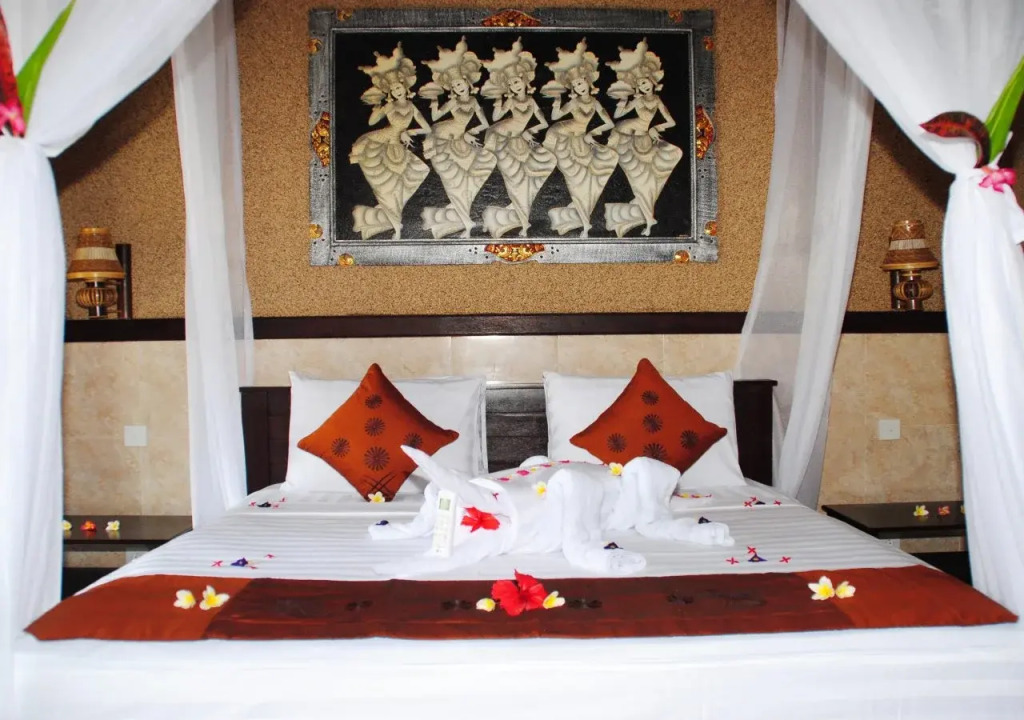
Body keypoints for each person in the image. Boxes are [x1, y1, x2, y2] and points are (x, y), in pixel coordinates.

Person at [349, 44, 431, 241]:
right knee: (386, 185)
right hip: (382, 141)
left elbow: (427, 128)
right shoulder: (389, 106)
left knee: (420, 171)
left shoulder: (411, 106)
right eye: (393, 89)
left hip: (398, 145)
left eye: (398, 87)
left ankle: (387, 212)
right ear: (390, 92)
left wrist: (409, 131)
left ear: (405, 87)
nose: (397, 90)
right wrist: (378, 107)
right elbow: (372, 122)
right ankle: (394, 222)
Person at [604, 39, 683, 237]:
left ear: (652, 82)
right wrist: (623, 100)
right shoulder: (637, 99)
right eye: (639, 84)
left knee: (647, 180)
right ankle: (647, 220)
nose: (643, 85)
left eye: (645, 82)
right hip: (627, 137)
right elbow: (618, 115)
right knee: (638, 182)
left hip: (644, 140)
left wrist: (656, 127)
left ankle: (645, 218)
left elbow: (671, 122)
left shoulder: (656, 100)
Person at [420, 37, 497, 239]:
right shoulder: (453, 102)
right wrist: (434, 101)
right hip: (443, 136)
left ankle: (459, 214)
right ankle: (463, 218)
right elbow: (436, 117)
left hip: (461, 139)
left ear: (467, 82)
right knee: (452, 180)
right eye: (454, 85)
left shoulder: (473, 102)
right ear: (452, 89)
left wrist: (470, 132)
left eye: (460, 83)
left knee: (477, 169)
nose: (458, 86)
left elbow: (484, 124)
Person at [540, 39, 617, 239]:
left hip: (582, 139)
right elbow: (556, 117)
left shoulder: (595, 102)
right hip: (563, 135)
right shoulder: (573, 102)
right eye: (574, 85)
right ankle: (583, 220)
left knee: (591, 173)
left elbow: (609, 123)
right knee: (573, 178)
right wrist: (557, 101)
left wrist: (592, 133)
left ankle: (582, 215)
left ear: (587, 82)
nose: (578, 87)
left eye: (580, 83)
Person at [479, 38, 556, 238]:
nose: (514, 86)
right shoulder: (511, 101)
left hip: (519, 139)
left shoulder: (531, 101)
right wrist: (498, 101)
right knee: (514, 180)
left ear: (523, 80)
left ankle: (512, 215)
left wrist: (528, 131)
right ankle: (522, 221)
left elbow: (543, 123)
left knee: (541, 166)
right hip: (503, 137)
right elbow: (496, 118)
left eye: (516, 81)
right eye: (511, 84)